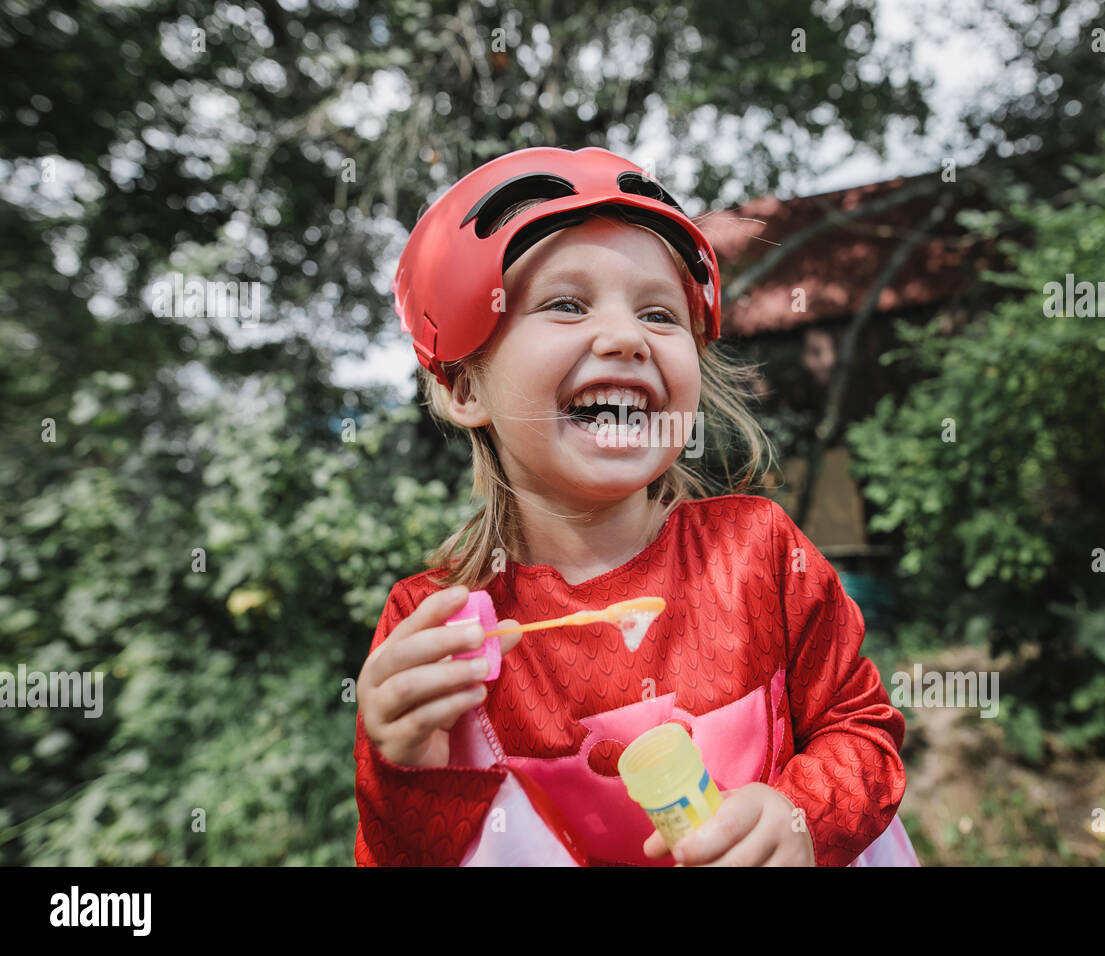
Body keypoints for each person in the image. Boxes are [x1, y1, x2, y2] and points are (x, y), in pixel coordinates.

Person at [354, 146, 917, 867]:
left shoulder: (758, 551)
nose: (625, 338)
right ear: (466, 388)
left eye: (658, 313)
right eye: (565, 304)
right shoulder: (438, 631)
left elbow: (861, 729)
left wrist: (803, 817)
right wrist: (403, 771)